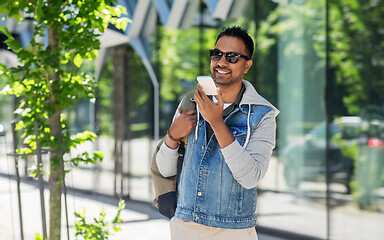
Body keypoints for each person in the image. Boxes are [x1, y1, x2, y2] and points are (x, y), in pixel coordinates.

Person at [156, 26, 279, 240]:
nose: (221, 62)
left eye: (232, 57)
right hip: (185, 227)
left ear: (247, 65)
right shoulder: (190, 103)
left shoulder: (262, 115)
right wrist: (172, 137)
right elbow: (166, 171)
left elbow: (251, 177)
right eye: (217, 54)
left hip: (232, 231)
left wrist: (216, 121)